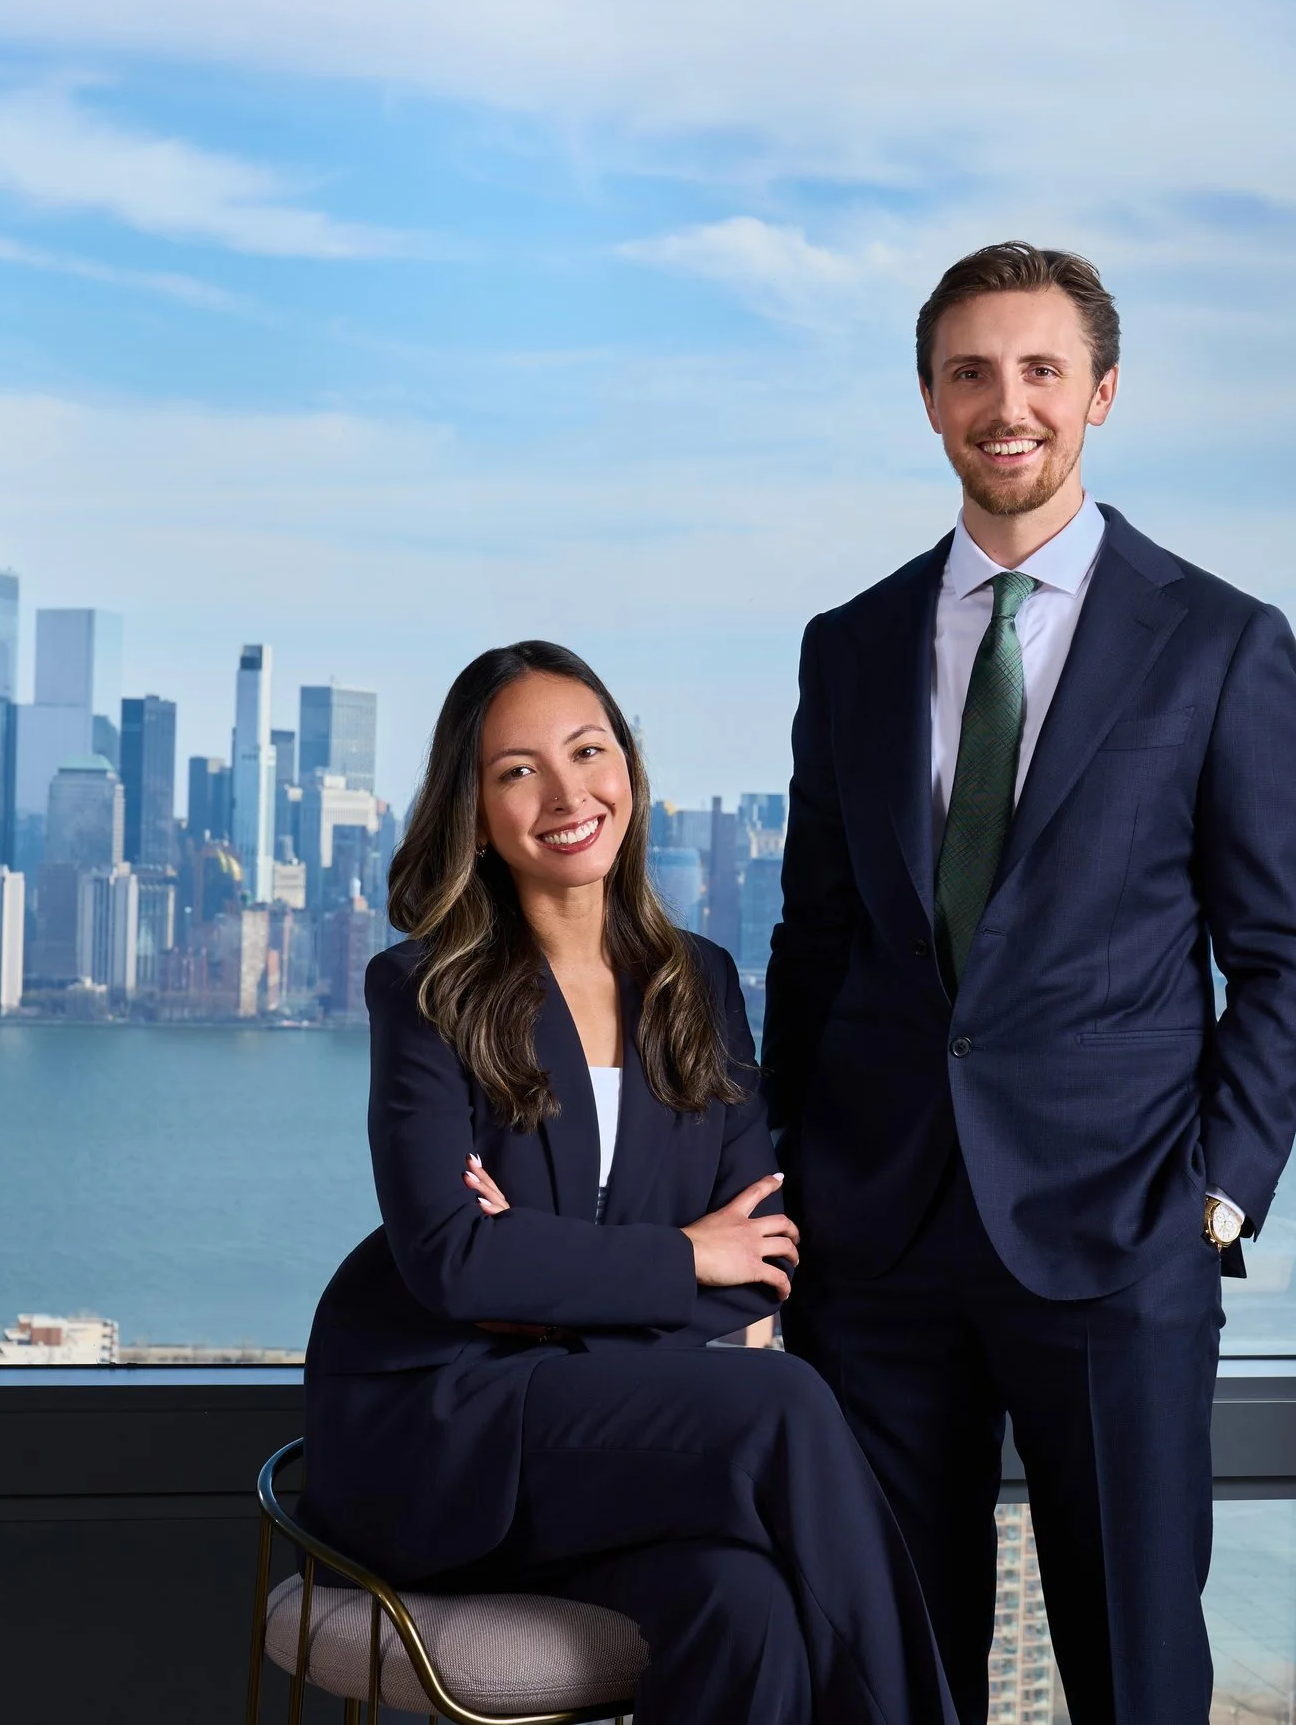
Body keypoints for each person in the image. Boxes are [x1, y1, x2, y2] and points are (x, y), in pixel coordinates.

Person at [764, 243, 1296, 1725]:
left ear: (1101, 392)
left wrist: (1215, 1195)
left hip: (1120, 1234)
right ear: (929, 400)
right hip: (875, 1244)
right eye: (969, 371)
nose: (1003, 403)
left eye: (1038, 370)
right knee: (895, 1665)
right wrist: (788, 1186)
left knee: (1136, 1667)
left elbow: (1281, 954)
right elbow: (813, 939)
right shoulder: (852, 646)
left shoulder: (1218, 642)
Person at [303, 640, 956, 1725]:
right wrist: (681, 1254)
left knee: (740, 1606)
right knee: (784, 1402)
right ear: (471, 812)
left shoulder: (697, 982)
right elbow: (455, 1263)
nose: (566, 794)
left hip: (609, 1447)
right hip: (445, 1437)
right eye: (516, 771)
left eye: (588, 751)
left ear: (630, 772)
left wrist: (550, 1273)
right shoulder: (424, 990)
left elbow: (764, 1265)